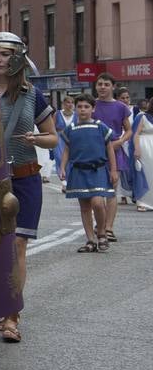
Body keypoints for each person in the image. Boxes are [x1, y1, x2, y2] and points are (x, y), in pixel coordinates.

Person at [0, 32, 56, 344]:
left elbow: (53, 137)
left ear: (17, 58)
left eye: (5, 54)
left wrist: (35, 139)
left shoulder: (32, 95)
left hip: (24, 177)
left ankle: (12, 314)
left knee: (18, 247)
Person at [62, 93, 118, 252]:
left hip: (98, 170)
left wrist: (113, 170)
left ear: (93, 109)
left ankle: (101, 232)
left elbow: (110, 149)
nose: (82, 110)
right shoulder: (70, 129)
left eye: (86, 106)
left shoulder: (101, 127)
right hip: (79, 171)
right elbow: (67, 150)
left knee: (98, 203)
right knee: (85, 207)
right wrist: (62, 167)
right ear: (75, 108)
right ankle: (90, 240)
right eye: (79, 106)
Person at [89, 74, 131, 244]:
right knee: (95, 192)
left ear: (113, 87)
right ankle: (99, 226)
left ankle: (109, 228)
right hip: (93, 151)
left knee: (111, 190)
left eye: (106, 84)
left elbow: (128, 129)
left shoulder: (121, 107)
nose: (102, 87)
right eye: (99, 84)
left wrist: (121, 141)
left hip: (114, 150)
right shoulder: (91, 104)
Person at [134, 98, 153, 212]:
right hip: (145, 146)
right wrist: (137, 149)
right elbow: (136, 133)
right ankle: (142, 202)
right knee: (145, 172)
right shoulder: (143, 116)